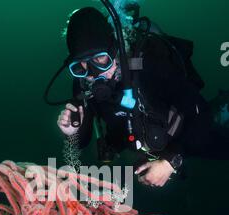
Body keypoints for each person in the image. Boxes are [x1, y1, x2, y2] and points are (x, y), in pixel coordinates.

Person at [57, 7, 229, 187]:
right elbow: (82, 141)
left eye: (101, 60)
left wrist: (171, 161)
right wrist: (72, 133)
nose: (93, 73)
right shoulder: (83, 83)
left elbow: (200, 114)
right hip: (146, 145)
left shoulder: (150, 65)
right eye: (81, 65)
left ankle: (222, 108)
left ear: (116, 52)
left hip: (185, 135)